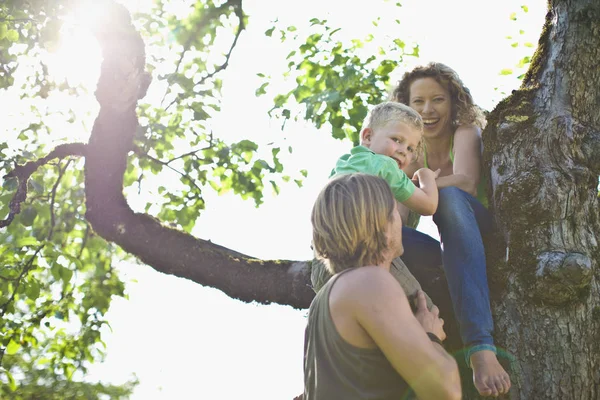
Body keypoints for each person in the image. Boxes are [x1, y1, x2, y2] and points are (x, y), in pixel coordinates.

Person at [391, 62, 511, 397]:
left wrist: (420, 187)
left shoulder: (465, 130)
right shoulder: (413, 153)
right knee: (383, 237)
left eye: (438, 100)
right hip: (454, 255)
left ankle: (480, 346)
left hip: (485, 239)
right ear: (407, 107)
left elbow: (467, 183)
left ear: (452, 102)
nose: (428, 110)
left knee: (450, 197)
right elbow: (398, 220)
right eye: (418, 102)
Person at [304, 173, 461, 400]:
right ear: (382, 224)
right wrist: (429, 335)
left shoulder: (319, 306)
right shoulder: (370, 282)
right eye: (395, 211)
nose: (399, 219)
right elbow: (447, 390)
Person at [310, 101, 438, 309]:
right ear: (368, 137)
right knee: (422, 308)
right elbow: (428, 205)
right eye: (397, 140)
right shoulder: (384, 165)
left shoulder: (344, 165)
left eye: (410, 148)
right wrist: (426, 176)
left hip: (323, 264)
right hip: (366, 254)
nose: (404, 152)